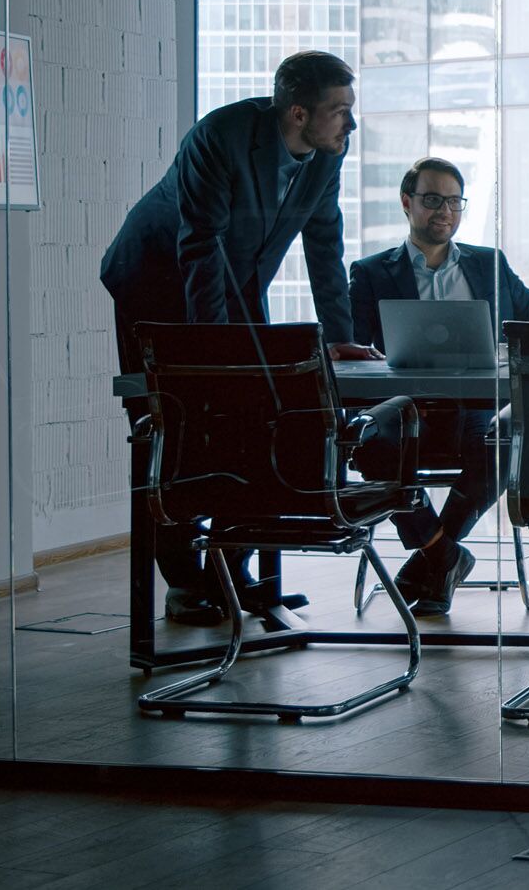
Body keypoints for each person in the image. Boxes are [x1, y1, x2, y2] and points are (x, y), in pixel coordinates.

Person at [100, 50, 377, 626]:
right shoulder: (220, 136)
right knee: (174, 426)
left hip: (236, 279)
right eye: (339, 110)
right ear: (298, 113)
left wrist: (341, 337)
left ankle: (229, 569)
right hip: (155, 279)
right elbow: (198, 245)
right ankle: (185, 584)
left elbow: (325, 243)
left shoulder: (329, 150)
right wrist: (218, 355)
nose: (350, 123)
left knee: (261, 419)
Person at [347, 156, 529, 615]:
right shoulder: (371, 272)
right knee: (369, 447)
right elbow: (355, 348)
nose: (445, 211)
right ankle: (443, 558)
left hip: (475, 408)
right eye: (433, 199)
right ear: (407, 202)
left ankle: (434, 558)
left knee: (505, 442)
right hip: (404, 409)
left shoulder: (489, 264)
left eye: (454, 202)